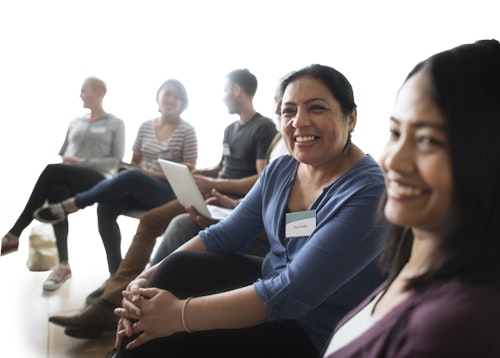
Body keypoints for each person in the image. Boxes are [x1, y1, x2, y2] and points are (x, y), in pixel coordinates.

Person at [109, 64, 390, 358]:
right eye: (288, 111)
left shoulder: (370, 193)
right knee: (174, 271)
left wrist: (178, 314)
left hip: (313, 331)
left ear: (352, 117)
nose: (299, 122)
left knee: (178, 333)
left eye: (316, 108)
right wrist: (145, 277)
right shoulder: (282, 169)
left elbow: (292, 293)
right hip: (269, 284)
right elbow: (224, 235)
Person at [48, 68, 278, 339]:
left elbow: (260, 177)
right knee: (130, 212)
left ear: (237, 90)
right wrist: (200, 175)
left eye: (225, 90)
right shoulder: (230, 129)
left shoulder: (263, 128)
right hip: (209, 192)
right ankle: (115, 297)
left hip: (225, 200)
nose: (223, 97)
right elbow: (223, 167)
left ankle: (114, 303)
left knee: (152, 220)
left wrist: (216, 185)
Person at [321, 39, 500, 358]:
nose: (393, 161)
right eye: (395, 132)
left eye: (428, 140)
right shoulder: (418, 256)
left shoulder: (452, 328)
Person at [34, 79, 197, 280]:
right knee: (106, 206)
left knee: (133, 175)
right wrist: (137, 173)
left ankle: (74, 203)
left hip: (167, 192)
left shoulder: (187, 131)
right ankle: (116, 273)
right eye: (167, 94)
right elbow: (135, 162)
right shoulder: (146, 126)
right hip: (139, 185)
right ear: (159, 96)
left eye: (177, 96)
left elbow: (186, 172)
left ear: (183, 102)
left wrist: (145, 174)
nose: (171, 99)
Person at [1, 77, 126, 291]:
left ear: (99, 94)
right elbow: (64, 153)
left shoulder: (115, 123)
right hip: (71, 176)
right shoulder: (75, 122)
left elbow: (116, 160)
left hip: (99, 178)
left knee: (51, 170)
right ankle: (63, 265)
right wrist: (71, 163)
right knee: (57, 191)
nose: (81, 95)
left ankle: (14, 233)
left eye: (85, 91)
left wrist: (82, 162)